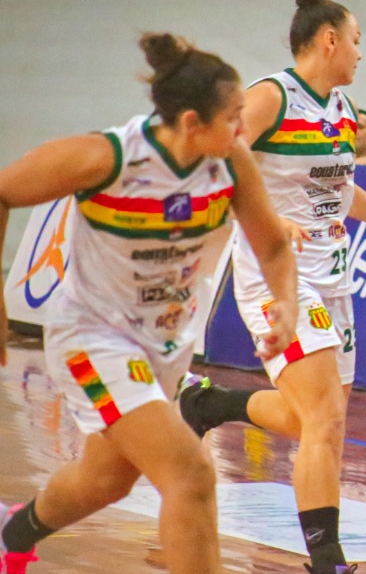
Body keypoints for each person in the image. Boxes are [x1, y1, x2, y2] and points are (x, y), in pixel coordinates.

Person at [177, 0, 366, 574]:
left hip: (334, 274)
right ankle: (326, 560)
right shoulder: (272, 96)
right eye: (356, 40)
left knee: (318, 418)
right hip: (278, 278)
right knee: (323, 417)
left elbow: (340, 188)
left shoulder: (342, 110)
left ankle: (210, 405)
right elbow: (208, 159)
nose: (359, 52)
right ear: (329, 40)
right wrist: (266, 219)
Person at [0, 33, 298, 574]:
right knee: (191, 473)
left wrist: (287, 304)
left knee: (106, 480)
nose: (242, 128)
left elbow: (273, 243)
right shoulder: (107, 157)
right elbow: (3, 190)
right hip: (92, 338)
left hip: (164, 344)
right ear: (191, 123)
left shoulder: (230, 163)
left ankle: (12, 532)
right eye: (232, 117)